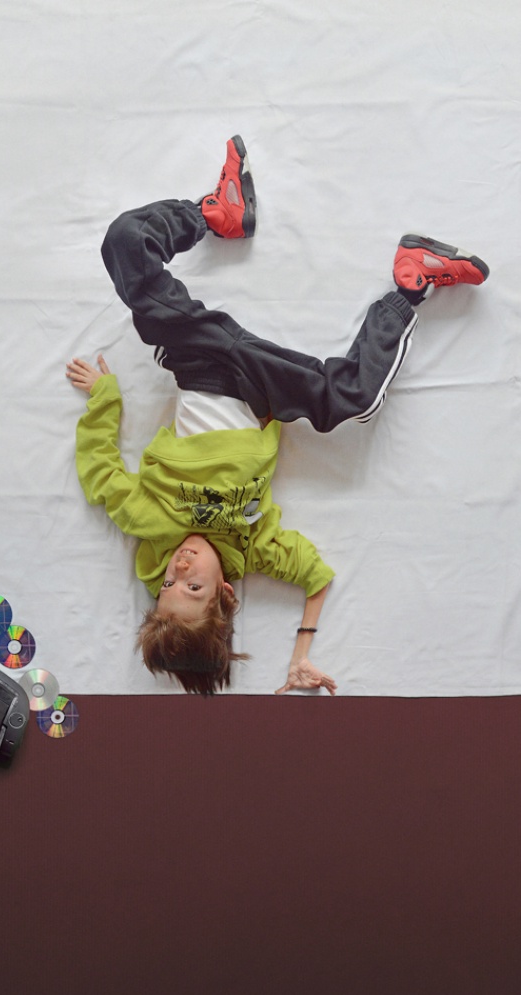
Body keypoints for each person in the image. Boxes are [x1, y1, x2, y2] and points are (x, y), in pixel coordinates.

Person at [66, 136, 489, 696]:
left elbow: (100, 475)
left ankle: (214, 212)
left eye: (167, 584)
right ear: (226, 593)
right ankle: (411, 282)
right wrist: (301, 654)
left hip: (202, 363)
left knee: (124, 241)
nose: (181, 569)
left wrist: (104, 398)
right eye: (193, 589)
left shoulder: (151, 524)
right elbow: (316, 577)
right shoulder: (256, 548)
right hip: (264, 392)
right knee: (355, 401)